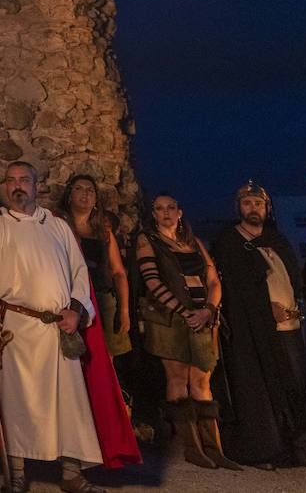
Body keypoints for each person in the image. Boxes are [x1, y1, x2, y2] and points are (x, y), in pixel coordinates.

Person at [0, 160, 121, 493]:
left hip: (59, 327)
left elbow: (79, 274)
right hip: (17, 329)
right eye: (12, 180)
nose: (18, 186)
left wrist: (75, 310)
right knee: (18, 402)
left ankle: (72, 474)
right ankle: (15, 474)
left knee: (69, 402)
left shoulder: (57, 226)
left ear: (36, 185)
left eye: (24, 180)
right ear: (5, 186)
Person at [211, 181, 306, 468]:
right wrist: (263, 307)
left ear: (267, 207)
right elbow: (233, 289)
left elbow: (297, 278)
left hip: (290, 329)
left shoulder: (277, 240)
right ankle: (265, 449)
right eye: (247, 203)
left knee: (296, 387)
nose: (253, 208)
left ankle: (302, 446)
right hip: (254, 334)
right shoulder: (229, 242)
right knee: (261, 389)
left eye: (258, 203)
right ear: (238, 207)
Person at [135, 192, 230, 470]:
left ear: (179, 212)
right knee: (177, 378)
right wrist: (182, 310)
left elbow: (213, 279)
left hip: (201, 317)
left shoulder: (194, 243)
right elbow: (152, 280)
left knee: (201, 379)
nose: (166, 212)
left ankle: (214, 447)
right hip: (169, 319)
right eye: (159, 208)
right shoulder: (148, 240)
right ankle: (192, 447)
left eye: (171, 208)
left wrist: (209, 310)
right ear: (153, 214)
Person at [56, 175, 131, 361]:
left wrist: (124, 310)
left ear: (96, 199)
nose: (85, 194)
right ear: (69, 195)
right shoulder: (57, 227)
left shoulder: (104, 232)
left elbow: (118, 272)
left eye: (90, 190)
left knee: (105, 359)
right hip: (71, 301)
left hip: (102, 299)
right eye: (79, 189)